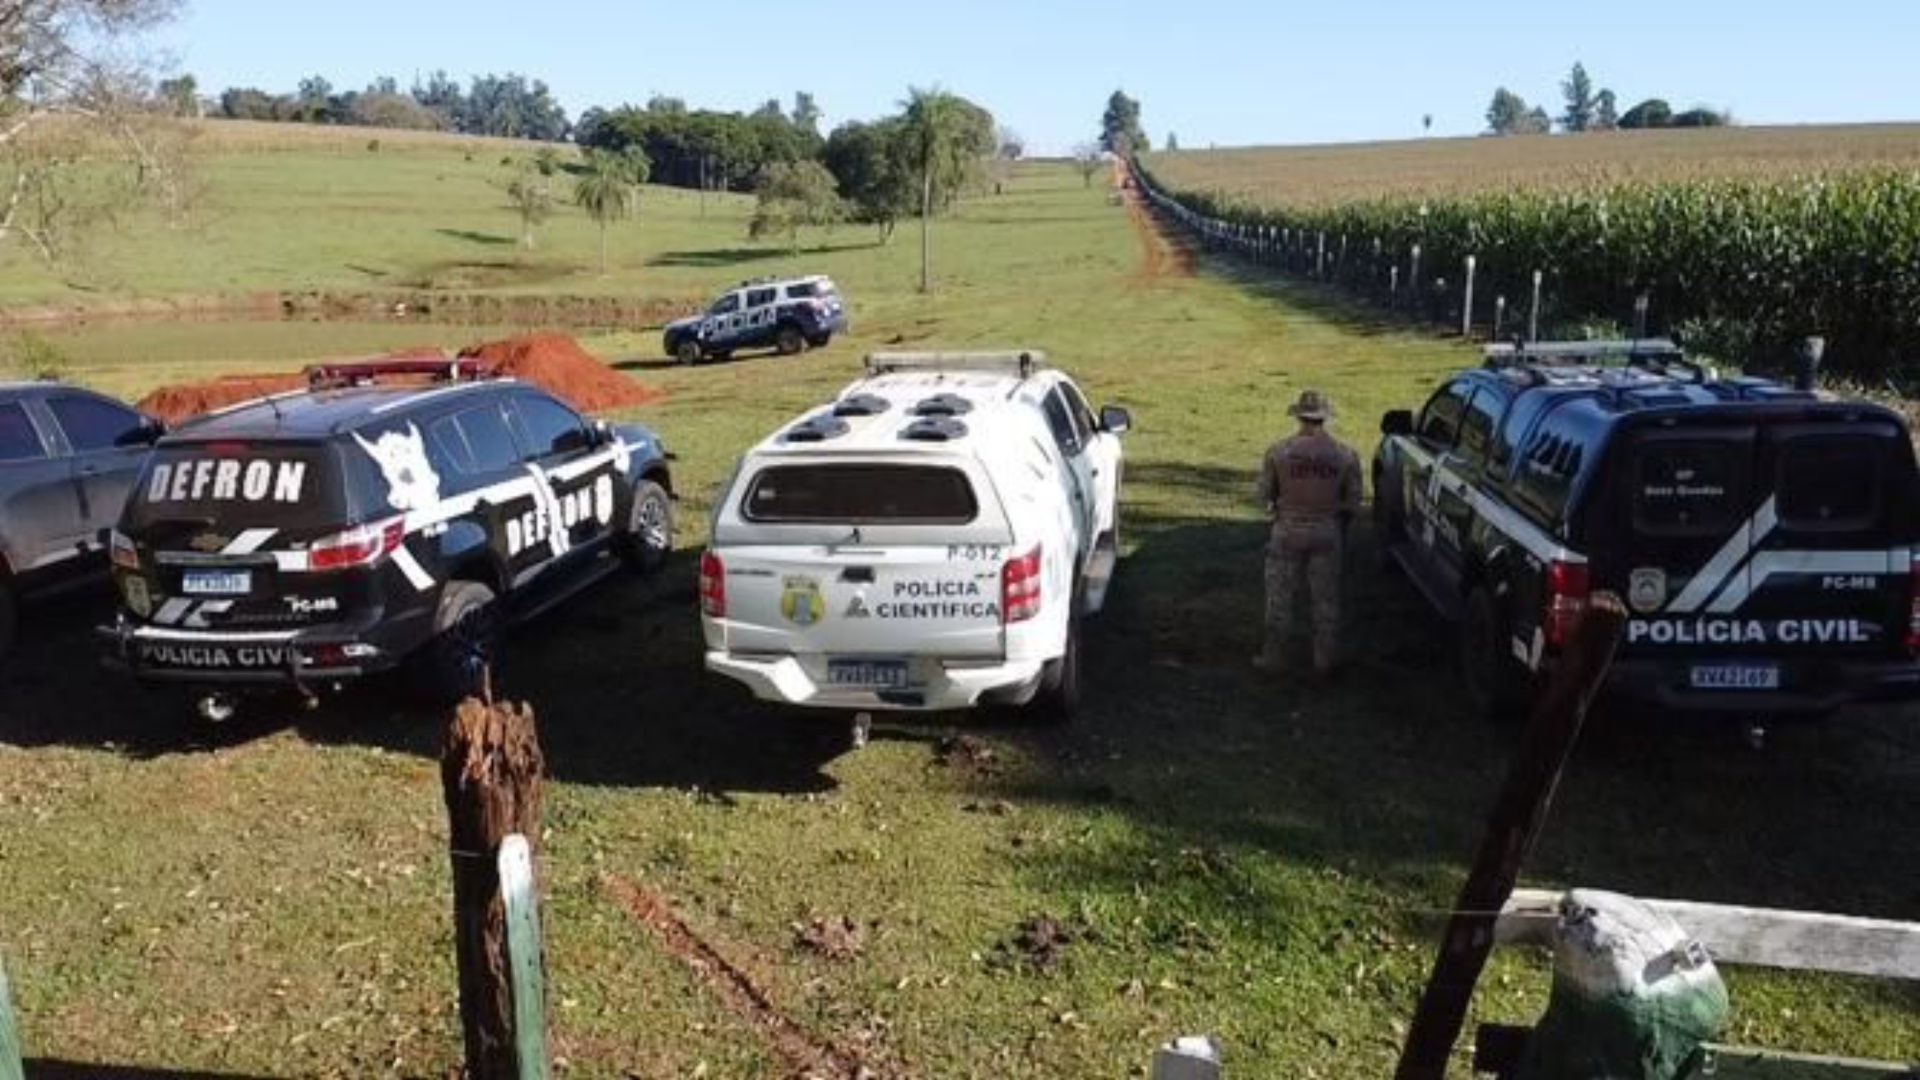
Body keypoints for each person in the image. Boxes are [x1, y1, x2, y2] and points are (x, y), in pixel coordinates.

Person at [1254, 389, 1362, 677]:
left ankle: (1274, 658)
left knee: (1279, 598)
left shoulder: (1278, 452)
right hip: (1327, 531)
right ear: (1325, 418)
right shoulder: (1346, 456)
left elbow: (1263, 495)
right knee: (1326, 600)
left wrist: (1278, 512)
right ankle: (1324, 660)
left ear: (1299, 416)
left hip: (1287, 530)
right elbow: (1353, 503)